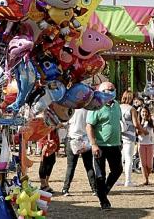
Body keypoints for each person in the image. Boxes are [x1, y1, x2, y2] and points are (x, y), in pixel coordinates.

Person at [86, 81, 122, 211]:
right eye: (108, 89)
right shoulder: (96, 106)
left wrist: (120, 141)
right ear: (101, 91)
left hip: (115, 144)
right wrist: (94, 144)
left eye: (113, 89)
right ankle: (104, 201)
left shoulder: (117, 105)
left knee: (117, 170)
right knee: (100, 175)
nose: (111, 91)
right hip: (100, 146)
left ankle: (104, 191)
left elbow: (117, 123)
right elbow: (89, 125)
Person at [61, 108, 97, 197]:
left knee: (71, 166)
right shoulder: (89, 110)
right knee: (89, 166)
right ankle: (94, 188)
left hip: (72, 138)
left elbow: (64, 123)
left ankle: (65, 188)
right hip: (85, 139)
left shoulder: (71, 109)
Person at [119, 90, 144, 187]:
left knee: (121, 157)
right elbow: (136, 124)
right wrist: (142, 130)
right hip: (129, 135)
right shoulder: (132, 109)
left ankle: (118, 178)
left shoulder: (118, 107)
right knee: (129, 157)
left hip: (120, 134)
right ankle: (128, 180)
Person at [138, 106, 154, 185]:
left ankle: (147, 176)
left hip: (150, 144)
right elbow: (137, 132)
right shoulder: (138, 122)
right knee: (143, 163)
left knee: (149, 165)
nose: (144, 113)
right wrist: (141, 124)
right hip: (141, 143)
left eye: (146, 112)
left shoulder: (152, 121)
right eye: (143, 112)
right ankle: (146, 180)